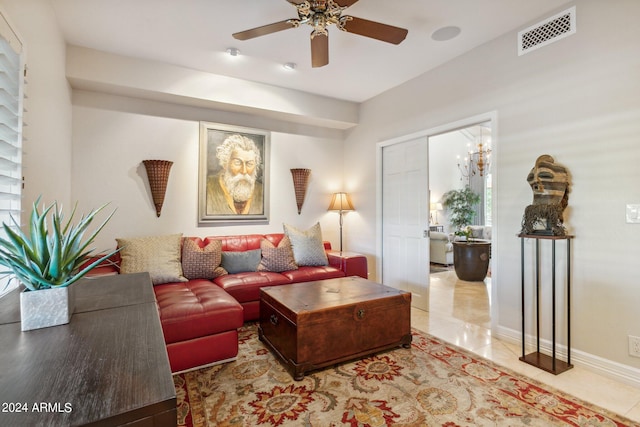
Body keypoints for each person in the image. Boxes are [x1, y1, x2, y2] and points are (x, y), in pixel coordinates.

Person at [206, 134, 263, 215]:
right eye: (237, 162)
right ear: (225, 163)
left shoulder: (261, 191)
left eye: (249, 164)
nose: (244, 171)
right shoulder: (207, 187)